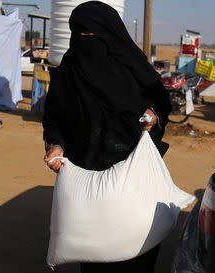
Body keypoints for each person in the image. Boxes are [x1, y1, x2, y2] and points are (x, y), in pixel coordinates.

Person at [42, 1, 171, 273]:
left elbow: (159, 102)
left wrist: (153, 116)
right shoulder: (68, 71)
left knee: (136, 251)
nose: (84, 41)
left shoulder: (135, 69)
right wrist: (55, 145)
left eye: (92, 34)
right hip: (88, 178)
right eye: (78, 34)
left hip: (134, 175)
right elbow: (54, 117)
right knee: (94, 253)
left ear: (109, 33)